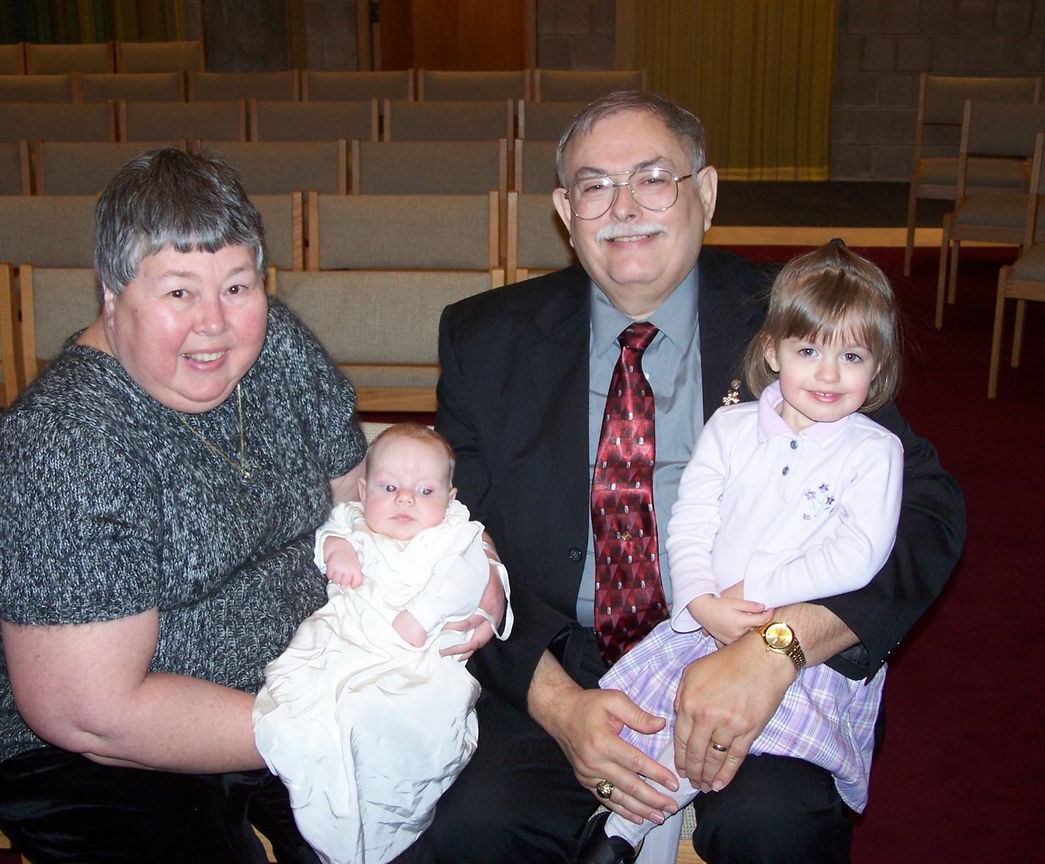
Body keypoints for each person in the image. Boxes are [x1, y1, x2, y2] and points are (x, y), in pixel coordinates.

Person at [393, 91, 965, 863]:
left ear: (706, 193)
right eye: (595, 186)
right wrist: (558, 705)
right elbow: (454, 545)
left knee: (776, 825)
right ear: (566, 212)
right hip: (562, 658)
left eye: (654, 178)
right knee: (473, 828)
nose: (624, 207)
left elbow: (928, 512)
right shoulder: (485, 337)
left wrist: (780, 647)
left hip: (749, 639)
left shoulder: (792, 320)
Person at [0, 148, 502, 864]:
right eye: (179, 292)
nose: (214, 324)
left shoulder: (276, 346)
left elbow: (364, 498)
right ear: (112, 293)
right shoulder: (66, 444)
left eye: (237, 286)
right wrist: (333, 727)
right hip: (102, 761)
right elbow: (94, 716)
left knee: (462, 832)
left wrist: (469, 560)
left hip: (309, 675)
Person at [584, 241, 905, 859]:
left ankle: (630, 830)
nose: (829, 374)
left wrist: (755, 591)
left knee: (737, 736)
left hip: (796, 649)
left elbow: (859, 554)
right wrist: (700, 600)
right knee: (652, 723)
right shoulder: (730, 427)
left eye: (852, 356)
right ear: (772, 351)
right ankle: (626, 830)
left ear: (878, 366)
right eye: (808, 351)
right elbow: (690, 522)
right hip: (711, 622)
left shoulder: (873, 451)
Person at [254, 423, 512, 864]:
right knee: (309, 706)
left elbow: (467, 578)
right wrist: (338, 551)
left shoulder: (454, 533)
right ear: (363, 490)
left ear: (450, 498)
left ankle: (379, 823)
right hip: (348, 636)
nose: (405, 499)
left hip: (418, 656)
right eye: (389, 487)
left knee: (405, 717)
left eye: (425, 491)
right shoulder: (352, 519)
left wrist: (422, 615)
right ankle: (338, 818)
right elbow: (328, 532)